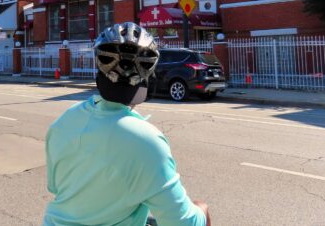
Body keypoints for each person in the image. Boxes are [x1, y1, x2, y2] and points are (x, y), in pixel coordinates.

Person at [43, 22, 211, 226]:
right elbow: (184, 223)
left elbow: (57, 188)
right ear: (148, 78)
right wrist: (203, 210)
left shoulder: (64, 121)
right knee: (201, 210)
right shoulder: (147, 142)